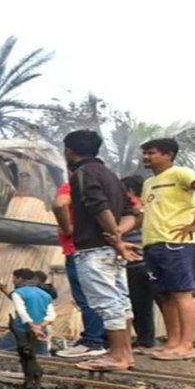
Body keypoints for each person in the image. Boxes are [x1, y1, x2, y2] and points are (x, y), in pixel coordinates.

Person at [60, 130, 138, 372]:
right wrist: (117, 235)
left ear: (69, 150)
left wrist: (114, 236)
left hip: (93, 250)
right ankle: (125, 355)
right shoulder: (111, 175)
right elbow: (134, 213)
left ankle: (116, 356)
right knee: (120, 301)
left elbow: (97, 205)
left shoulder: (82, 174)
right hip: (108, 249)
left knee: (107, 303)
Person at [140, 138, 195, 361]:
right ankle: (172, 342)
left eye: (151, 153)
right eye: (144, 153)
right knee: (164, 295)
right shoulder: (149, 183)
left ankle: (186, 344)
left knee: (181, 293)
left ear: (168, 154)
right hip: (152, 243)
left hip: (175, 242)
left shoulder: (181, 173)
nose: (146, 157)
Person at [53, 180, 112, 358]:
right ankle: (105, 339)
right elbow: (135, 211)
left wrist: (67, 228)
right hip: (103, 249)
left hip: (78, 249)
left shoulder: (76, 184)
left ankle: (93, 341)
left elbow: (60, 204)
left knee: (87, 297)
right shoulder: (110, 185)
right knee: (106, 297)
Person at [121, 175, 158, 351]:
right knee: (141, 303)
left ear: (129, 191)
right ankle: (144, 338)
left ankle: (145, 340)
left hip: (138, 261)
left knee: (140, 303)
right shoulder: (149, 207)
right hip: (142, 261)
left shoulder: (137, 210)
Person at [0, 268, 56, 355]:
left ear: (19, 279)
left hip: (22, 329)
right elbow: (52, 315)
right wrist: (39, 327)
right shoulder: (45, 295)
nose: (13, 281)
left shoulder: (18, 293)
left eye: (14, 278)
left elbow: (22, 312)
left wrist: (32, 326)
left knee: (0, 352)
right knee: (43, 356)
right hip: (41, 330)